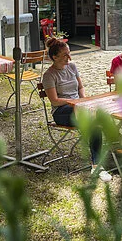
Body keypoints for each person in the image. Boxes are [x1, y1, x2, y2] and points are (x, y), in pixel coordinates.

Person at [42, 37, 112, 182]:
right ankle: (98, 164)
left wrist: (84, 100)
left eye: (69, 53)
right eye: (65, 55)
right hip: (61, 111)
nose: (69, 57)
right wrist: (77, 103)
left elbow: (80, 87)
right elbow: (54, 100)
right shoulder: (49, 75)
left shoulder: (72, 67)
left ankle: (101, 160)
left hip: (78, 107)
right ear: (54, 57)